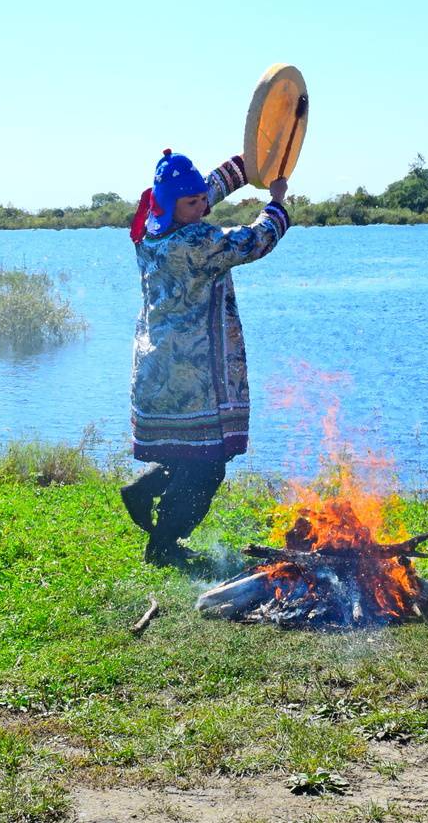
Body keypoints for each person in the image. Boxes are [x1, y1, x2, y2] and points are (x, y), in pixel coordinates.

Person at [119, 149, 290, 565]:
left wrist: (249, 164)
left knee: (187, 452)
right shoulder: (195, 241)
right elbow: (251, 242)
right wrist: (278, 204)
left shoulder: (149, 226)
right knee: (208, 465)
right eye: (192, 203)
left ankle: (143, 490)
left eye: (201, 201)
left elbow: (203, 190)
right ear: (173, 203)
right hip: (192, 373)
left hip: (158, 365)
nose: (201, 207)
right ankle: (164, 545)